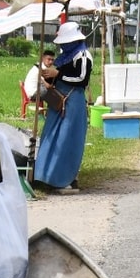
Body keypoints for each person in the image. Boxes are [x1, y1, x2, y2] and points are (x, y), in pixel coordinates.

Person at [33, 21, 93, 193]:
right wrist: (48, 76)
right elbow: (56, 78)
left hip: (72, 103)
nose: (64, 45)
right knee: (51, 137)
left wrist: (58, 74)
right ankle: (45, 175)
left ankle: (64, 178)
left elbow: (82, 80)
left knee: (67, 139)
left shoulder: (82, 56)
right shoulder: (64, 57)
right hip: (58, 102)